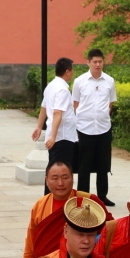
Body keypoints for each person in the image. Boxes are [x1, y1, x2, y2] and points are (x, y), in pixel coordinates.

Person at [73, 49, 117, 207]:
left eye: (100, 61)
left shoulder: (109, 81)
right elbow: (75, 103)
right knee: (84, 164)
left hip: (104, 128)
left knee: (103, 164)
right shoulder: (80, 81)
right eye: (95, 62)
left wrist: (103, 115)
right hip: (84, 128)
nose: (98, 64)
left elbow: (111, 102)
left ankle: (102, 196)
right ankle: (83, 197)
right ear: (88, 62)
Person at [32, 58, 78, 197]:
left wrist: (39, 127)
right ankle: (57, 200)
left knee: (52, 170)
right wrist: (53, 136)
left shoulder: (51, 86)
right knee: (61, 173)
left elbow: (43, 108)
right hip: (62, 137)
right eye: (72, 70)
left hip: (56, 136)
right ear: (67, 71)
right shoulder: (62, 89)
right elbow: (57, 113)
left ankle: (49, 199)